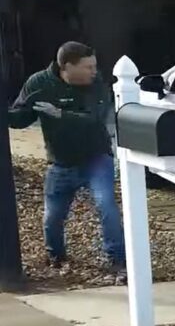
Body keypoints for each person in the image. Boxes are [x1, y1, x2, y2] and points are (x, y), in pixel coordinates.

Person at [7, 41, 124, 272]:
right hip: (60, 162)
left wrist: (59, 113)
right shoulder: (39, 83)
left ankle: (118, 260)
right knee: (53, 216)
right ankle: (56, 257)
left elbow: (94, 118)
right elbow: (20, 119)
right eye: (88, 67)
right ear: (67, 66)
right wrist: (11, 113)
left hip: (96, 158)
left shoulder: (96, 84)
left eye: (94, 66)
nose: (94, 71)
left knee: (106, 205)